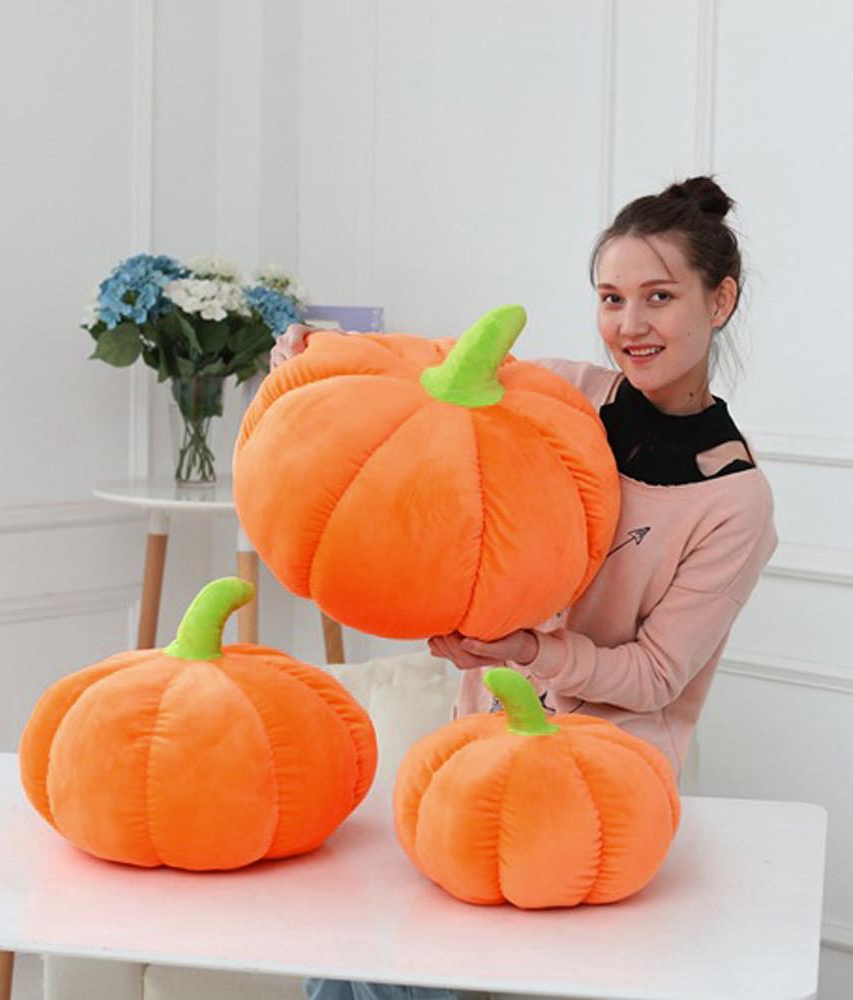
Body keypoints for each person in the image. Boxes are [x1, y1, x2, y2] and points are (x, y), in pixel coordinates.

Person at [271, 176, 778, 1000]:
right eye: (611, 298)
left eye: (659, 297)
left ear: (719, 301)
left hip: (597, 785)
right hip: (480, 743)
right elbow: (429, 378)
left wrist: (529, 651)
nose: (630, 325)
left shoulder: (734, 501)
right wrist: (319, 357)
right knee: (353, 945)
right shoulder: (558, 394)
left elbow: (655, 676)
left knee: (402, 967)